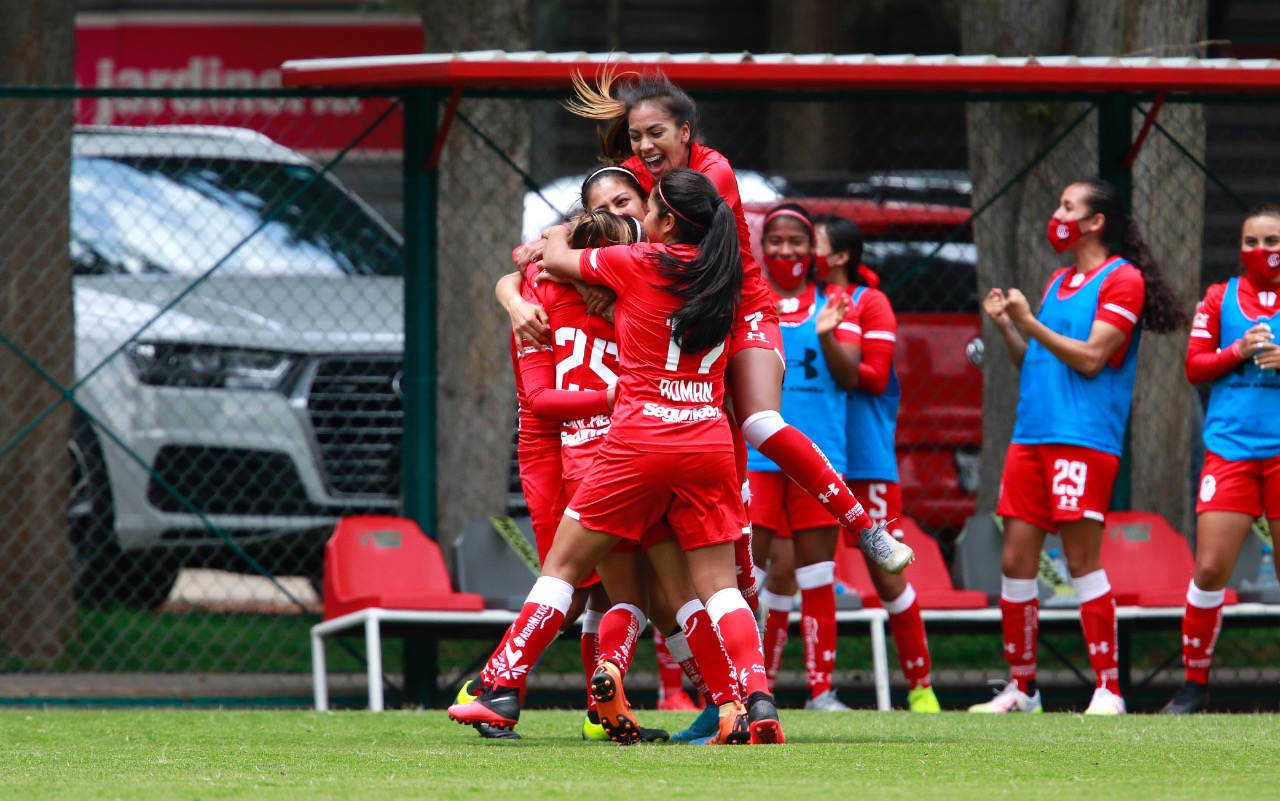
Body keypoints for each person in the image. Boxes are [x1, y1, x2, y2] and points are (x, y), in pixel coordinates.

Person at [450, 168, 785, 746]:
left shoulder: (619, 273)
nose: (633, 217)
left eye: (636, 205)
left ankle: (502, 686)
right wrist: (514, 289)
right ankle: (744, 700)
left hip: (624, 446)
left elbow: (547, 278)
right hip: (701, 440)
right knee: (692, 589)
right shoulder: (721, 276)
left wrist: (525, 272)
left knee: (582, 577)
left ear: (660, 220)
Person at [564, 68, 913, 578]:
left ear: (685, 132)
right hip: (683, 321)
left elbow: (657, 253)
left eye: (656, 133)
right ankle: (740, 598)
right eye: (636, 136)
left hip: (737, 312)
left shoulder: (712, 172)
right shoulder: (634, 177)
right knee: (717, 465)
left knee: (758, 421)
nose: (644, 146)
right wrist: (524, 280)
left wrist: (601, 273)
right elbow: (580, 232)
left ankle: (863, 526)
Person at [972, 178, 1188, 715]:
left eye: (1068, 206)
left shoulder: (1124, 280)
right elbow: (1041, 362)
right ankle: (1022, 689)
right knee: (1017, 560)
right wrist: (1008, 330)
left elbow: (1091, 358)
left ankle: (1109, 689)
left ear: (1095, 222)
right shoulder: (1058, 280)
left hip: (1082, 438)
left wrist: (1028, 322)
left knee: (1080, 560)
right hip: (1032, 434)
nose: (1058, 214)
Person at [815, 213, 940, 713]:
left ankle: (922, 687)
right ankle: (806, 691)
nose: (803, 252)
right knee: (793, 573)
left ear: (840, 256)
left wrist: (830, 336)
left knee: (888, 575)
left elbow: (872, 377)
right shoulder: (797, 304)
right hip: (813, 457)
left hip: (865, 459)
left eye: (815, 244)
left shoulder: (871, 303)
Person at [1163, 203, 1280, 714]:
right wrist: (1237, 351)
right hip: (1231, 449)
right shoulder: (1219, 297)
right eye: (1251, 243)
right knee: (1209, 568)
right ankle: (1194, 686)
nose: (1261, 252)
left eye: (1272, 242)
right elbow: (1194, 367)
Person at [746, 203, 859, 711]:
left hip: (820, 458)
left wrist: (827, 333)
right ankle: (747, 685)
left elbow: (853, 375)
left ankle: (821, 689)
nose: (786, 250)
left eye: (797, 241)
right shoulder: (751, 301)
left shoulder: (834, 302)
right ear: (762, 248)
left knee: (816, 575)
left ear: (812, 248)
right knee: (746, 572)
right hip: (757, 460)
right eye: (776, 241)